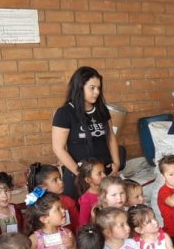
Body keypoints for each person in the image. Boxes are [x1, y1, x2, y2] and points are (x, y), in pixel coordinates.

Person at [52, 66, 121, 199]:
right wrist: (81, 174)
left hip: (104, 174)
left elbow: (111, 138)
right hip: (79, 177)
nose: (96, 92)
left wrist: (116, 163)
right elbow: (58, 148)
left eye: (99, 88)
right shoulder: (65, 113)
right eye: (92, 88)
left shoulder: (102, 110)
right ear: (79, 87)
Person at [27, 163, 79, 234]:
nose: (61, 182)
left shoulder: (68, 201)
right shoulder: (38, 206)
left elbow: (77, 225)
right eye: (55, 180)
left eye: (60, 178)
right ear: (42, 187)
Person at [76, 158, 106, 226]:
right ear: (88, 180)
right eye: (99, 174)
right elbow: (83, 224)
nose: (104, 175)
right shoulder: (86, 200)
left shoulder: (108, 190)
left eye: (104, 172)